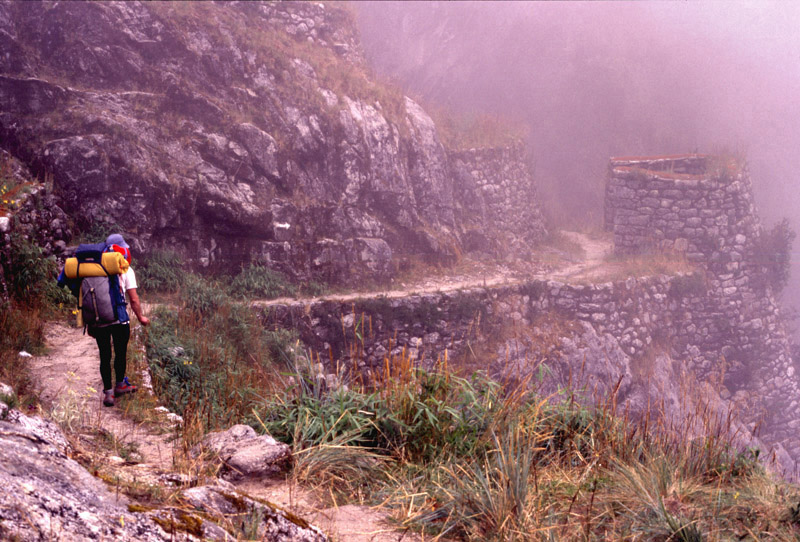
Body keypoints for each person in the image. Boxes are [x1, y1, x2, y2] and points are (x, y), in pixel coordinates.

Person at [93, 233, 150, 407]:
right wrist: (140, 317)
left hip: (99, 320)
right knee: (120, 353)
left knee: (104, 355)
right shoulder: (126, 269)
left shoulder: (93, 268)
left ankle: (108, 394)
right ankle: (120, 385)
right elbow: (133, 299)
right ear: (120, 249)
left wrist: (89, 323)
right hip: (119, 320)